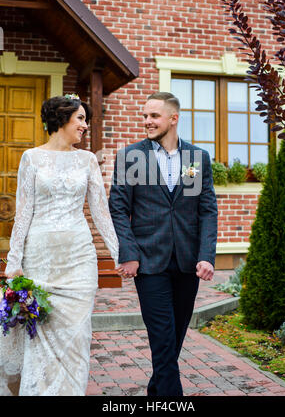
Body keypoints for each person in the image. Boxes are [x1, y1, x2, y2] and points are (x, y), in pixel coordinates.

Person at [0, 94, 119, 396]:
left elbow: (100, 211)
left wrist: (120, 253)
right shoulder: (32, 158)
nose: (84, 126)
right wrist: (14, 262)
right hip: (41, 260)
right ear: (62, 118)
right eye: (80, 119)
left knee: (76, 338)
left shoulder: (88, 160)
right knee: (39, 338)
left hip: (79, 260)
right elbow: (23, 213)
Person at [109, 92, 217, 396]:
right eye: (145, 116)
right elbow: (118, 208)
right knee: (162, 335)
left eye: (154, 116)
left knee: (173, 337)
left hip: (187, 262)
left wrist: (206, 255)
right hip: (148, 260)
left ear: (173, 118)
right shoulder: (132, 157)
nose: (147, 121)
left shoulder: (197, 158)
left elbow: (206, 209)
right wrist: (128, 253)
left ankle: (156, 391)